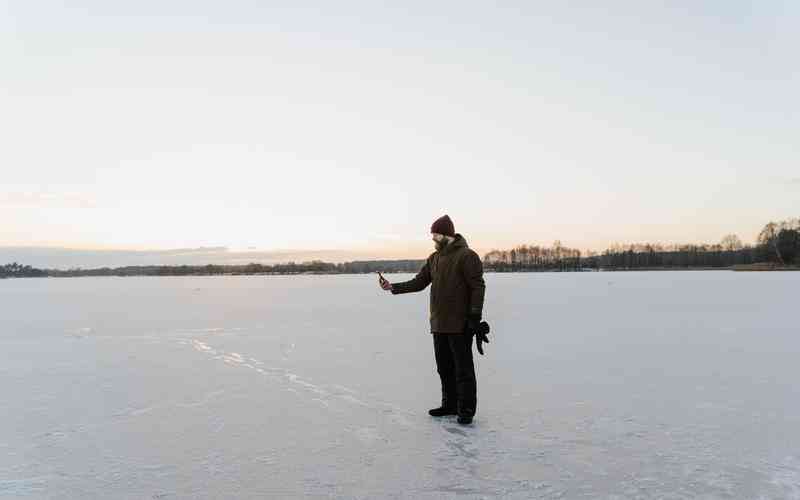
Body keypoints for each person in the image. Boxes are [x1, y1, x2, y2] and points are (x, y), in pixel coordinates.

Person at [378, 215, 487, 425]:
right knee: (444, 367)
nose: (433, 239)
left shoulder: (467, 256)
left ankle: (465, 409)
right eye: (433, 235)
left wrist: (474, 315)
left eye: (436, 235)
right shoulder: (434, 258)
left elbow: (478, 286)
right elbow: (419, 282)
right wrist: (393, 287)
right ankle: (449, 405)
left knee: (463, 369)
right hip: (439, 323)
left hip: (460, 323)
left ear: (447, 235)